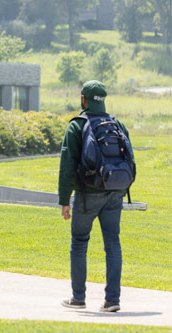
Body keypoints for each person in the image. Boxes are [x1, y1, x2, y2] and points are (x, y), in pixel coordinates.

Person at [59, 80, 132, 313]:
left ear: (83, 99)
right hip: (114, 193)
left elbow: (67, 166)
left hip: (87, 195)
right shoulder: (117, 123)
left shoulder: (76, 126)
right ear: (103, 99)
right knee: (113, 244)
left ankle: (78, 298)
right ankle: (112, 300)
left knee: (79, 243)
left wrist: (64, 200)